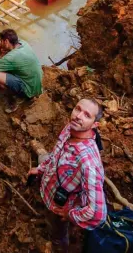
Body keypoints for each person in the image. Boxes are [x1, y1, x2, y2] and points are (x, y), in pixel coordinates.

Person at [28, 98, 107, 253]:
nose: (79, 116)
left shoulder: (88, 162)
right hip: (50, 187)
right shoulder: (69, 128)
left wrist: (71, 214)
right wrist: (41, 168)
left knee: (58, 235)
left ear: (94, 125)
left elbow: (98, 213)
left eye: (87, 115)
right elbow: (56, 153)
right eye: (78, 109)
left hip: (61, 208)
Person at [0, 28, 42, 99]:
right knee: (3, 50)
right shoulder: (23, 43)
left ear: (6, 41)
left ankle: (11, 98)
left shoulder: (11, 57)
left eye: (2, 41)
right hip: (36, 83)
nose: (0, 43)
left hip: (29, 90)